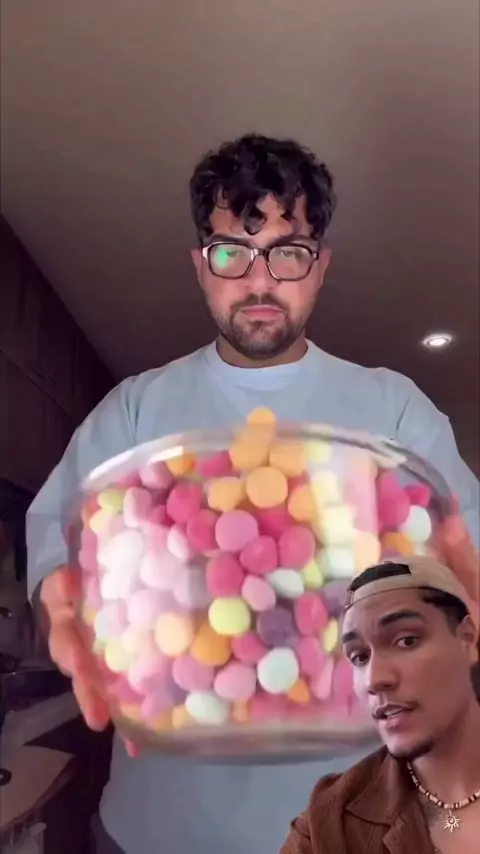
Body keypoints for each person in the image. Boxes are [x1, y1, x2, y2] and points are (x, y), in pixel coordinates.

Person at [26, 133, 480, 854]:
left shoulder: (393, 409)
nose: (259, 280)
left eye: (288, 252)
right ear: (200, 265)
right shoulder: (136, 410)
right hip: (155, 829)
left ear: (320, 265)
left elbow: (465, 551)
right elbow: (58, 532)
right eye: (231, 252)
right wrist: (61, 599)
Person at [281, 538, 480, 854]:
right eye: (359, 657)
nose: (375, 679)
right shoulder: (329, 829)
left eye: (406, 641)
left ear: (466, 638)